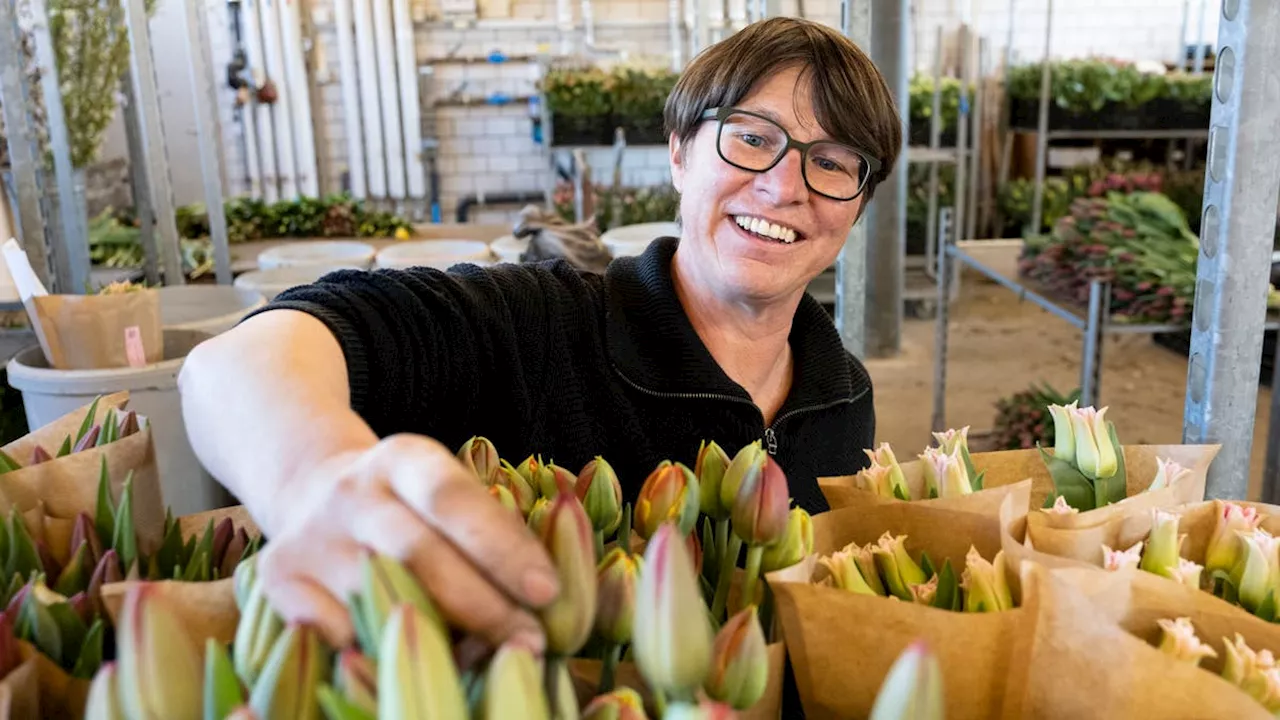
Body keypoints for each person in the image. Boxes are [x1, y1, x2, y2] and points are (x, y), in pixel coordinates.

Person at [177, 16, 902, 655]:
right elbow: (240, 361)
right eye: (752, 137)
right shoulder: (534, 325)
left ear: (858, 204)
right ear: (679, 151)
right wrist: (312, 476)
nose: (784, 185)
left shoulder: (843, 397)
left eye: (833, 162)